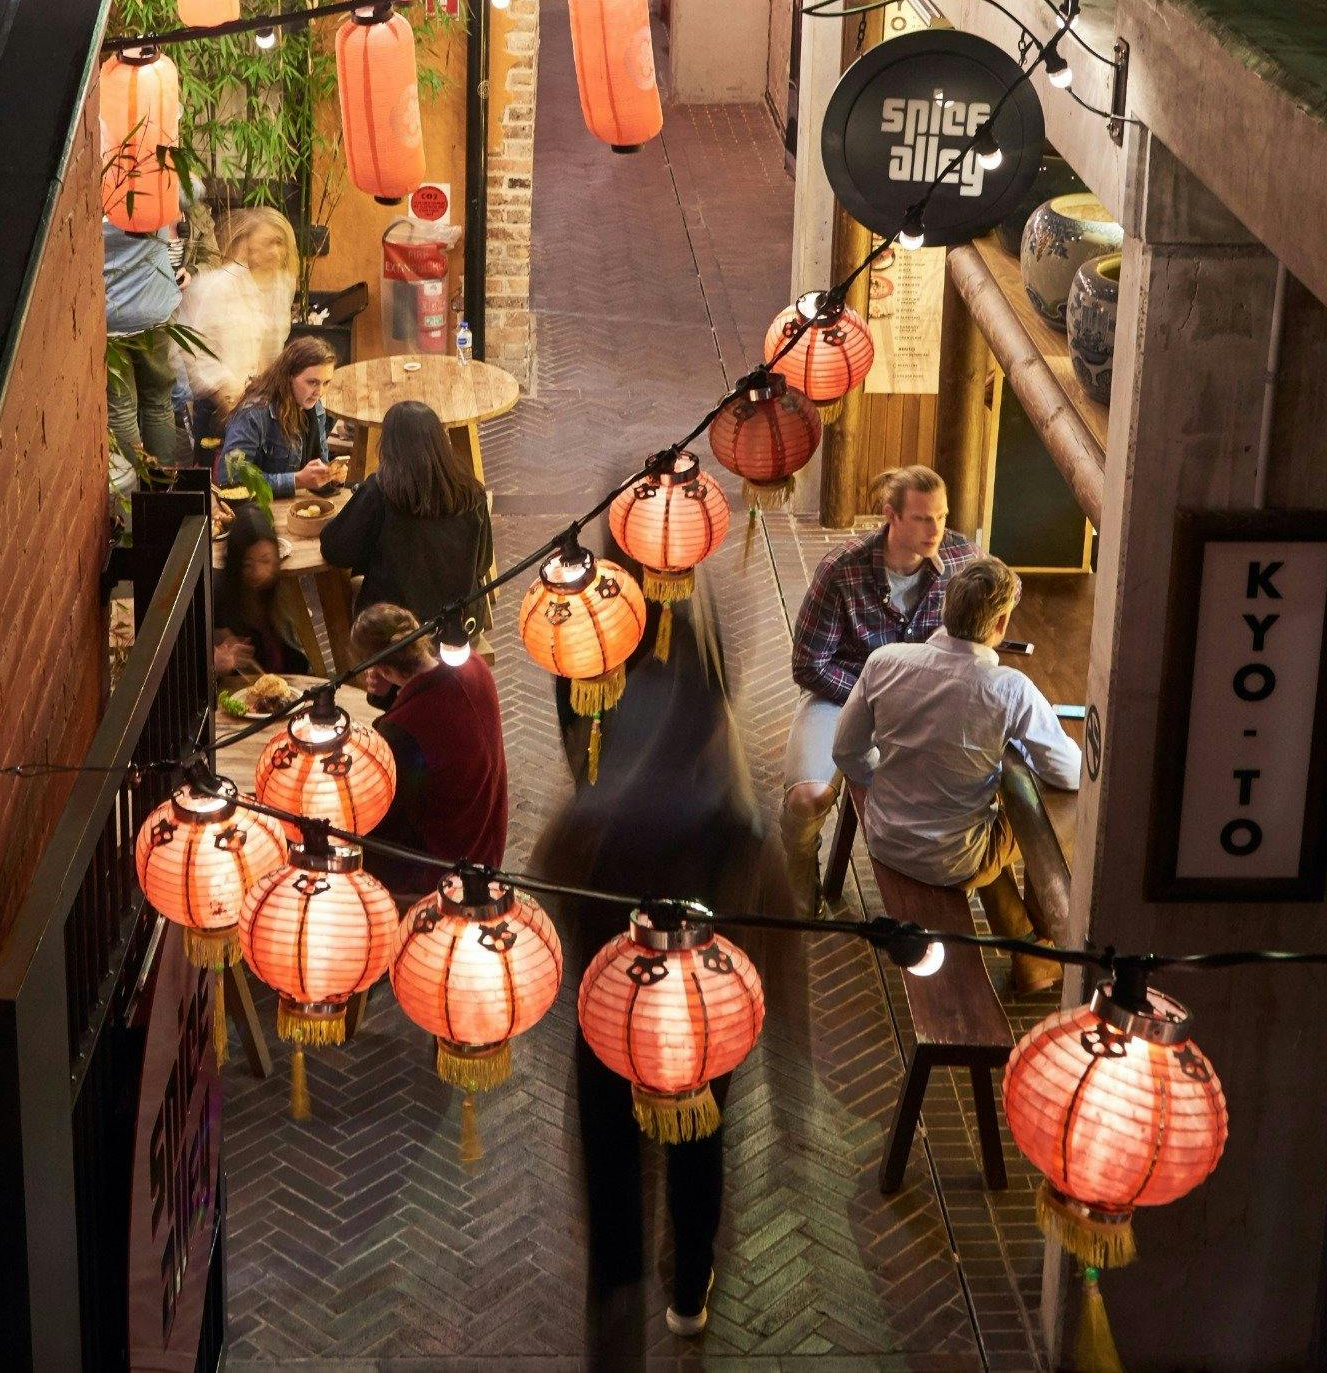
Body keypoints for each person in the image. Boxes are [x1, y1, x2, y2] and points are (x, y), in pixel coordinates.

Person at [532, 598, 802, 1360]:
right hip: (701, 1022)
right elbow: (776, 950)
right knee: (698, 1145)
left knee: (613, 1162)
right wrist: (788, 1079)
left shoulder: (593, 818)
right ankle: (688, 1286)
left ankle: (617, 1318)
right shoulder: (738, 821)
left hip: (610, 1014)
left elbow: (556, 883)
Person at [831, 555, 1082, 989]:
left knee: (978, 815)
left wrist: (890, 779)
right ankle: (1045, 949)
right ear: (1001, 623)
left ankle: (1025, 947)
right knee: (1063, 815)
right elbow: (1069, 774)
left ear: (947, 607)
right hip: (953, 860)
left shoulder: (886, 661)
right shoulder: (1009, 689)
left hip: (887, 835)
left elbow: (846, 752)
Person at [780, 466, 977, 897]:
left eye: (942, 517)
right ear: (891, 515)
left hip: (924, 704)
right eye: (923, 518)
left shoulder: (963, 560)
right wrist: (876, 696)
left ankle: (923, 899)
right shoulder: (842, 570)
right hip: (842, 693)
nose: (936, 530)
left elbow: (1006, 592)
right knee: (806, 798)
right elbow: (809, 665)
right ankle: (797, 877)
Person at [352, 601, 508, 892]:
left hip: (451, 865)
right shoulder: (472, 663)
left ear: (382, 668)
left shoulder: (403, 731)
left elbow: (389, 816)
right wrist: (387, 694)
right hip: (489, 832)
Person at [320, 400, 492, 630]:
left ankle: (348, 662)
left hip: (396, 633)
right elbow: (483, 563)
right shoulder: (471, 491)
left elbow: (336, 551)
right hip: (459, 624)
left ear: (389, 445)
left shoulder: (381, 490)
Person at [174, 205, 300, 440]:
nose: (275, 251)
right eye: (268, 242)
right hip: (218, 404)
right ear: (247, 244)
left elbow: (273, 347)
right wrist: (224, 392)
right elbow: (191, 346)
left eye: (280, 243)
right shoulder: (216, 286)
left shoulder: (282, 285)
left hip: (259, 401)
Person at [103, 220, 185, 474]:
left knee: (122, 409)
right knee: (159, 402)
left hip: (110, 316)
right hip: (154, 312)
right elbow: (190, 190)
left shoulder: (94, 199)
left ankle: (133, 488)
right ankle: (162, 488)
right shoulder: (152, 187)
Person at [216, 335, 336, 499]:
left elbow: (320, 461)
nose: (320, 392)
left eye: (326, 382)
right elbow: (231, 479)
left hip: (299, 501)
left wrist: (330, 474)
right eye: (312, 382)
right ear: (289, 377)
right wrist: (296, 480)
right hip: (260, 507)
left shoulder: (316, 408)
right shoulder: (253, 414)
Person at [210, 500, 307, 683]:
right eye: (248, 564)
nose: (259, 572)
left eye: (265, 560)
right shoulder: (219, 595)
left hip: (284, 686)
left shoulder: (275, 591)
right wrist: (218, 665)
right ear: (236, 564)